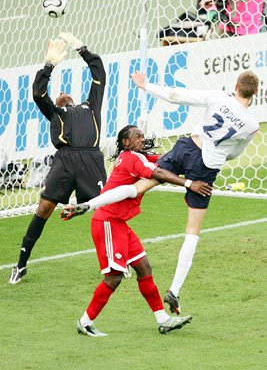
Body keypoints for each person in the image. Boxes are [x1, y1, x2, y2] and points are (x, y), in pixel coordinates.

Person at [64, 70, 259, 317]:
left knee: (138, 187)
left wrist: (146, 86)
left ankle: (88, 205)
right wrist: (213, 160)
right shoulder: (252, 126)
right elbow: (235, 154)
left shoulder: (218, 97)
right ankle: (175, 290)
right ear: (255, 93)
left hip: (186, 147)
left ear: (236, 86)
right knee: (192, 231)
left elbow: (177, 95)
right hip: (206, 168)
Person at [61, 125, 212, 337]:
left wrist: (188, 155)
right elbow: (159, 172)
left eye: (142, 135)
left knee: (144, 268)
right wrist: (189, 184)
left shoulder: (137, 157)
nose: (142, 139)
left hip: (119, 223)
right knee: (113, 278)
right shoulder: (131, 157)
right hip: (108, 222)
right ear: (126, 142)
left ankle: (163, 319)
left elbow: (164, 162)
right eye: (137, 136)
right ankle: (85, 322)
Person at [9, 33, 107, 284]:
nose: (62, 93)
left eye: (65, 93)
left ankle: (117, 261)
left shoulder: (91, 106)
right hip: (63, 160)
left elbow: (99, 72)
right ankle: (21, 265)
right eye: (58, 94)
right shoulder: (53, 113)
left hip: (90, 160)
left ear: (73, 100)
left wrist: (81, 48)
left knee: (107, 208)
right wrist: (49, 65)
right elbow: (37, 93)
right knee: (43, 208)